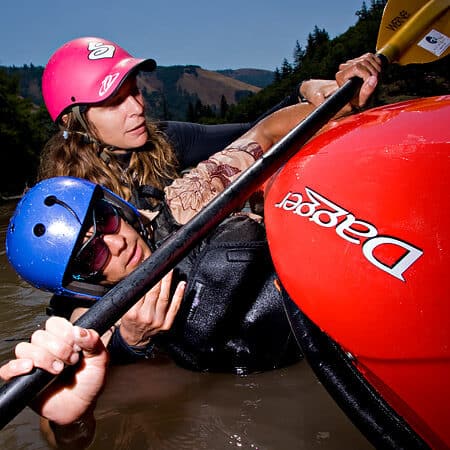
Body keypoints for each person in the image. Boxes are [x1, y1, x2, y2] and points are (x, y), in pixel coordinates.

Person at [37, 36, 348, 210]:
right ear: (72, 120)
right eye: (115, 101)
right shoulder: (65, 199)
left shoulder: (166, 139)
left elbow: (253, 132)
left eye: (135, 92)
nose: (137, 108)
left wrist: (304, 90)